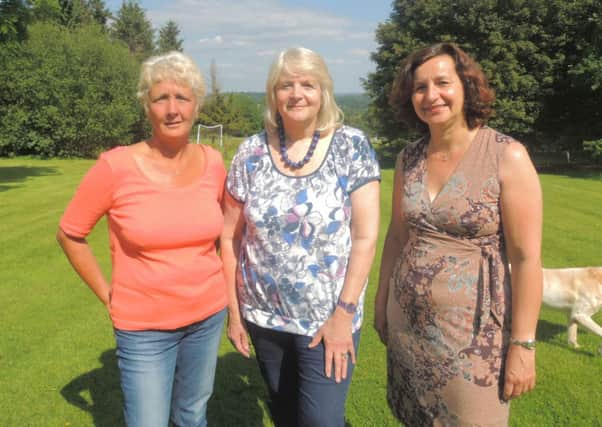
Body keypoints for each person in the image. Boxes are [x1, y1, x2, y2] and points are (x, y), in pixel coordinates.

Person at [375, 42, 543, 426]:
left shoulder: (506, 156)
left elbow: (528, 258)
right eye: (420, 87)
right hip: (408, 327)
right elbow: (398, 236)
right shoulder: (409, 158)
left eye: (442, 83)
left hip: (474, 338)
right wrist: (383, 297)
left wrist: (524, 344)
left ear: (466, 86)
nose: (431, 95)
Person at [57, 51, 227, 427]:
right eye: (160, 98)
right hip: (144, 328)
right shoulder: (115, 167)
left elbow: (226, 231)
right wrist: (107, 292)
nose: (172, 109)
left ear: (196, 105)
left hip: (208, 316)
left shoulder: (213, 162)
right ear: (146, 107)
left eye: (181, 97)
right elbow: (70, 233)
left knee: (192, 415)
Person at [221, 47, 380, 427]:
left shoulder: (351, 147)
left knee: (321, 420)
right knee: (286, 413)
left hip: (326, 319)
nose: (297, 93)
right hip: (264, 317)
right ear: (272, 94)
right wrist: (234, 312)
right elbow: (229, 237)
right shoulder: (251, 153)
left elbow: (365, 237)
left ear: (323, 92)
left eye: (308, 84)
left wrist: (343, 314)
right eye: (285, 85)